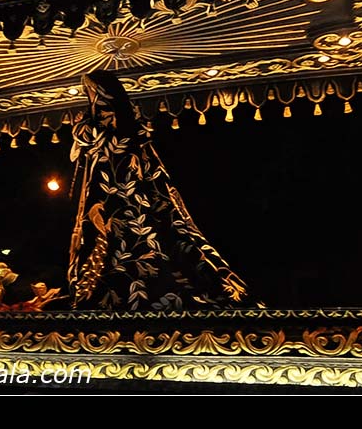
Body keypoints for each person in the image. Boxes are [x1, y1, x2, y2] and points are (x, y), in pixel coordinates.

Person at [67, 70, 257, 310]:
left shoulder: (112, 121)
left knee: (139, 231)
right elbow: (84, 146)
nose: (92, 97)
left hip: (124, 186)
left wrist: (84, 130)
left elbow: (103, 139)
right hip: (106, 185)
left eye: (93, 91)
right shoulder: (101, 121)